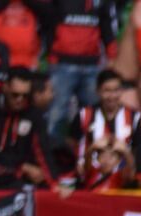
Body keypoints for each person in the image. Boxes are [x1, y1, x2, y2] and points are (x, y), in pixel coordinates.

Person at [0, 66, 55, 189]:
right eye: (15, 95)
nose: (20, 100)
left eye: (25, 96)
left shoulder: (33, 114)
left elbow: (41, 149)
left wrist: (54, 184)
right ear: (5, 88)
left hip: (18, 178)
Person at [45, 0, 118, 135]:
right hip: (62, 64)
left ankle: (92, 152)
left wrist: (111, 56)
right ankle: (49, 154)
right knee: (55, 115)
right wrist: (50, 55)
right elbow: (47, 20)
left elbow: (107, 25)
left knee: (93, 115)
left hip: (92, 67)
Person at [67, 68, 136, 187]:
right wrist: (92, 149)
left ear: (122, 91)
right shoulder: (84, 115)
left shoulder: (134, 117)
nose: (112, 96)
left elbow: (137, 159)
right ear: (98, 91)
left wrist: (124, 151)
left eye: (116, 90)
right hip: (89, 184)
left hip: (124, 186)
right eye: (107, 90)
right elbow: (72, 145)